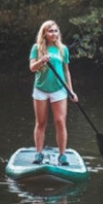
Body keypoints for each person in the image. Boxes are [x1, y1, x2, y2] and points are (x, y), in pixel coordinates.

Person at [29, 20, 78, 166]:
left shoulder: (63, 49)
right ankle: (39, 153)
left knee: (60, 122)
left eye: (56, 31)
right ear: (44, 33)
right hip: (40, 89)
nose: (54, 34)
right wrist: (41, 61)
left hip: (59, 90)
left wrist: (71, 91)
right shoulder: (37, 48)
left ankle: (62, 155)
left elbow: (66, 71)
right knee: (41, 123)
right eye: (50, 31)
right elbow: (32, 68)